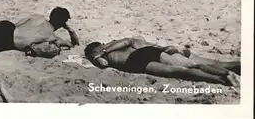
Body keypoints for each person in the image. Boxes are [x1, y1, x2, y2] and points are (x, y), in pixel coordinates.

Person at [84, 36, 240, 87]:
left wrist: (96, 57)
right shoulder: (113, 42)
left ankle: (221, 80)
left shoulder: (98, 53)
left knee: (181, 72)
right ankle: (226, 73)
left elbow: (104, 65)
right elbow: (130, 41)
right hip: (148, 51)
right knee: (192, 64)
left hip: (136, 62)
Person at [0, 7, 79, 57]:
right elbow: (74, 44)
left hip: (6, 27)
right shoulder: (52, 37)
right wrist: (70, 30)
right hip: (7, 42)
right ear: (62, 23)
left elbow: (17, 24)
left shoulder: (37, 17)